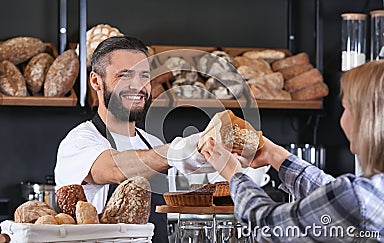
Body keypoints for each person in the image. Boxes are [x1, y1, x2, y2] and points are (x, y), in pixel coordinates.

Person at [201, 60, 384, 242]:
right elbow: (332, 197)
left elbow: (268, 226)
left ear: (368, 120)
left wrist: (234, 174)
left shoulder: (358, 199)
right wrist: (276, 155)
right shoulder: (372, 193)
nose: (342, 119)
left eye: (346, 107)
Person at [54, 36, 213, 242]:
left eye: (144, 76)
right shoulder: (79, 141)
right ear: (96, 81)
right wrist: (182, 148)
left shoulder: (153, 144)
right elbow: (114, 169)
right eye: (124, 76)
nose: (137, 86)